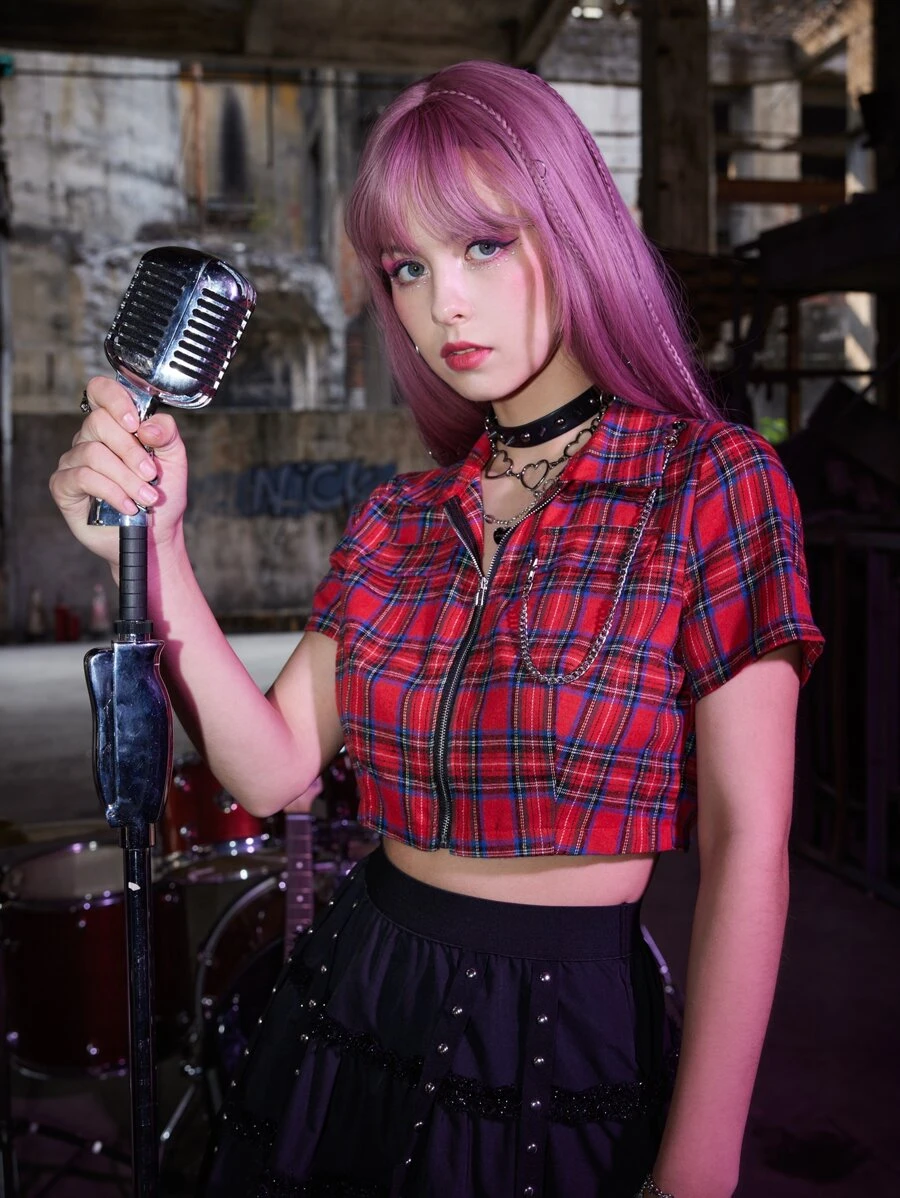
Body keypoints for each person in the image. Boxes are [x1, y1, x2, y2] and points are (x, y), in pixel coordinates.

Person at [50, 61, 824, 1198]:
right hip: (356, 989)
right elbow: (270, 770)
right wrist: (158, 549)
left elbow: (750, 838)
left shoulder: (707, 483)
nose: (440, 304)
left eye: (483, 246)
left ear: (575, 230)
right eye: (407, 267)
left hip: (563, 1028)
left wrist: (702, 1159)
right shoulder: (403, 517)